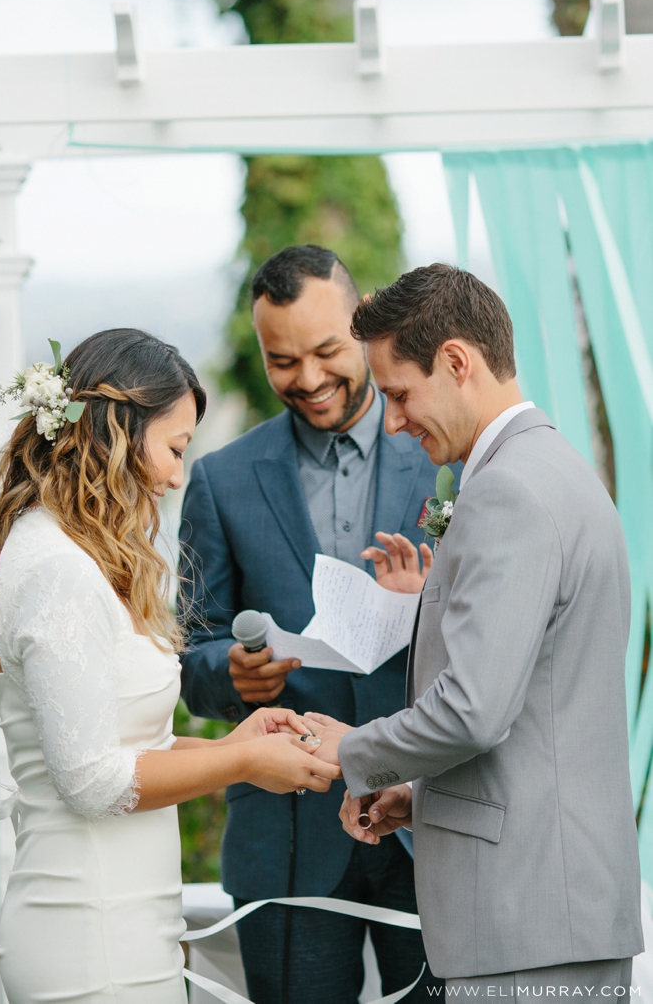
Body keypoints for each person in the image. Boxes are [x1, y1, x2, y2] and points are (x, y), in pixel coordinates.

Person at [302, 263, 644, 1000]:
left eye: (398, 393)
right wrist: (421, 797)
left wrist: (352, 750)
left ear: (457, 361)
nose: (392, 420)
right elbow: (540, 718)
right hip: (555, 912)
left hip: (528, 923)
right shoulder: (557, 470)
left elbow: (473, 708)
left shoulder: (507, 492)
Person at [0, 328, 340, 1004]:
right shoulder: (57, 570)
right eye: (173, 449)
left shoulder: (72, 556)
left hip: (125, 929)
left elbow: (132, 750)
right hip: (87, 938)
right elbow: (92, 781)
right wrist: (242, 765)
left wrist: (236, 740)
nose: (176, 475)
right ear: (115, 434)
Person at [180, 246, 450, 1004]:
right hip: (285, 835)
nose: (307, 378)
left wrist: (434, 603)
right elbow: (187, 654)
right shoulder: (221, 478)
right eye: (281, 360)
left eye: (327, 350)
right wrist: (229, 672)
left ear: (362, 323)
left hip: (427, 818)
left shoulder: (443, 460)